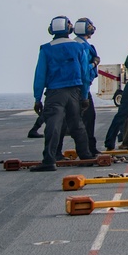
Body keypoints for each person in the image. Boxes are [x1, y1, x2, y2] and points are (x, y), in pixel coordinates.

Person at [30, 16, 94, 171]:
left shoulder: (46, 49)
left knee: (53, 125)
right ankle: (85, 156)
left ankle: (49, 160)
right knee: (77, 124)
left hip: (55, 92)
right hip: (75, 91)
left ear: (52, 30)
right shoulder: (79, 47)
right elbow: (85, 73)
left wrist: (37, 99)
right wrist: (84, 96)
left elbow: (40, 75)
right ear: (69, 29)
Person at [74, 17, 101, 157]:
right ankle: (88, 149)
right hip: (81, 88)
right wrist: (94, 64)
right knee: (88, 118)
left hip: (69, 89)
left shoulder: (73, 43)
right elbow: (84, 71)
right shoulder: (83, 47)